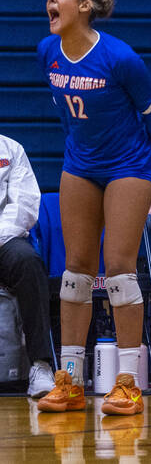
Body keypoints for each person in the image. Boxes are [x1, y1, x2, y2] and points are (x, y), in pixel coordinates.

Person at [36, 0, 151, 415]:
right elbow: (70, 116)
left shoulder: (120, 57)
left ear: (85, 5)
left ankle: (128, 383)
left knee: (119, 272)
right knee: (75, 272)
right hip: (80, 166)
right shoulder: (47, 52)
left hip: (129, 166)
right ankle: (69, 379)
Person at [0, 134, 55, 399]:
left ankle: (40, 366)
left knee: (29, 263)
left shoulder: (11, 149)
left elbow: (23, 204)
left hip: (4, 239)